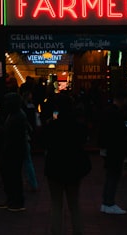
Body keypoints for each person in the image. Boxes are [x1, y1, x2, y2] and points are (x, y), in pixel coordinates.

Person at [42, 91, 89, 235]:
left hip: (55, 166)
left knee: (56, 205)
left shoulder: (52, 125)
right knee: (74, 204)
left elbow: (45, 141)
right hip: (74, 166)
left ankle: (56, 231)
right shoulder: (78, 125)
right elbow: (83, 142)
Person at [98, 90, 127, 215]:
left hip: (108, 148)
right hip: (115, 149)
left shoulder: (107, 112)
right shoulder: (117, 114)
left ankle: (106, 202)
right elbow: (120, 134)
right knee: (114, 176)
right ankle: (109, 202)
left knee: (109, 176)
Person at [0, 91, 28, 211]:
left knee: (14, 176)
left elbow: (16, 137)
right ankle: (11, 199)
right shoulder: (14, 114)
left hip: (14, 150)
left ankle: (17, 201)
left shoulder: (18, 116)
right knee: (9, 176)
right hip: (11, 149)